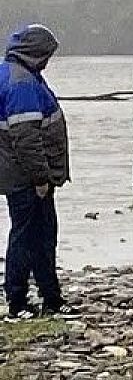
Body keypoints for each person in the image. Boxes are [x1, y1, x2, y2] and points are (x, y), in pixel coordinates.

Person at [0, 24, 77, 321]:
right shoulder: (22, 84)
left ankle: (49, 297)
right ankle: (19, 301)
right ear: (35, 53)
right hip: (26, 178)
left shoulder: (14, 75)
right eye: (46, 54)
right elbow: (26, 138)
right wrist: (41, 178)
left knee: (37, 235)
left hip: (16, 173)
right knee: (31, 236)